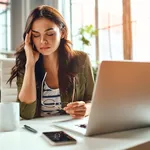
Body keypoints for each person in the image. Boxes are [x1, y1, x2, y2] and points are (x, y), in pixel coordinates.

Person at [8, 5, 94, 119]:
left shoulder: (81, 60)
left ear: (62, 33)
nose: (43, 41)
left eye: (49, 33)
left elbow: (94, 100)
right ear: (30, 38)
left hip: (71, 128)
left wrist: (86, 108)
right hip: (38, 132)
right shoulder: (26, 62)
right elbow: (26, 113)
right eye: (36, 35)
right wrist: (30, 65)